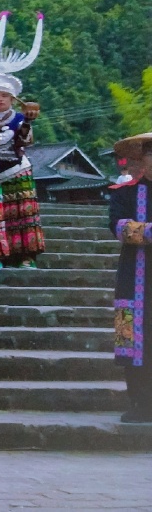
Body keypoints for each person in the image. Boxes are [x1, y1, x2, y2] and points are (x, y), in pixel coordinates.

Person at [110, 132, 152, 423]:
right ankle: (139, 403)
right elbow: (116, 225)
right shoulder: (123, 192)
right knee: (131, 338)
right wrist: (147, 231)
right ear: (142, 161)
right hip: (133, 277)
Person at [0, 73, 42, 269]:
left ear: (13, 100)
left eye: (4, 96)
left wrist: (27, 123)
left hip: (16, 169)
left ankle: (26, 255)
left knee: (22, 215)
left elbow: (24, 141)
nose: (0, 99)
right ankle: (0, 254)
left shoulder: (20, 119)